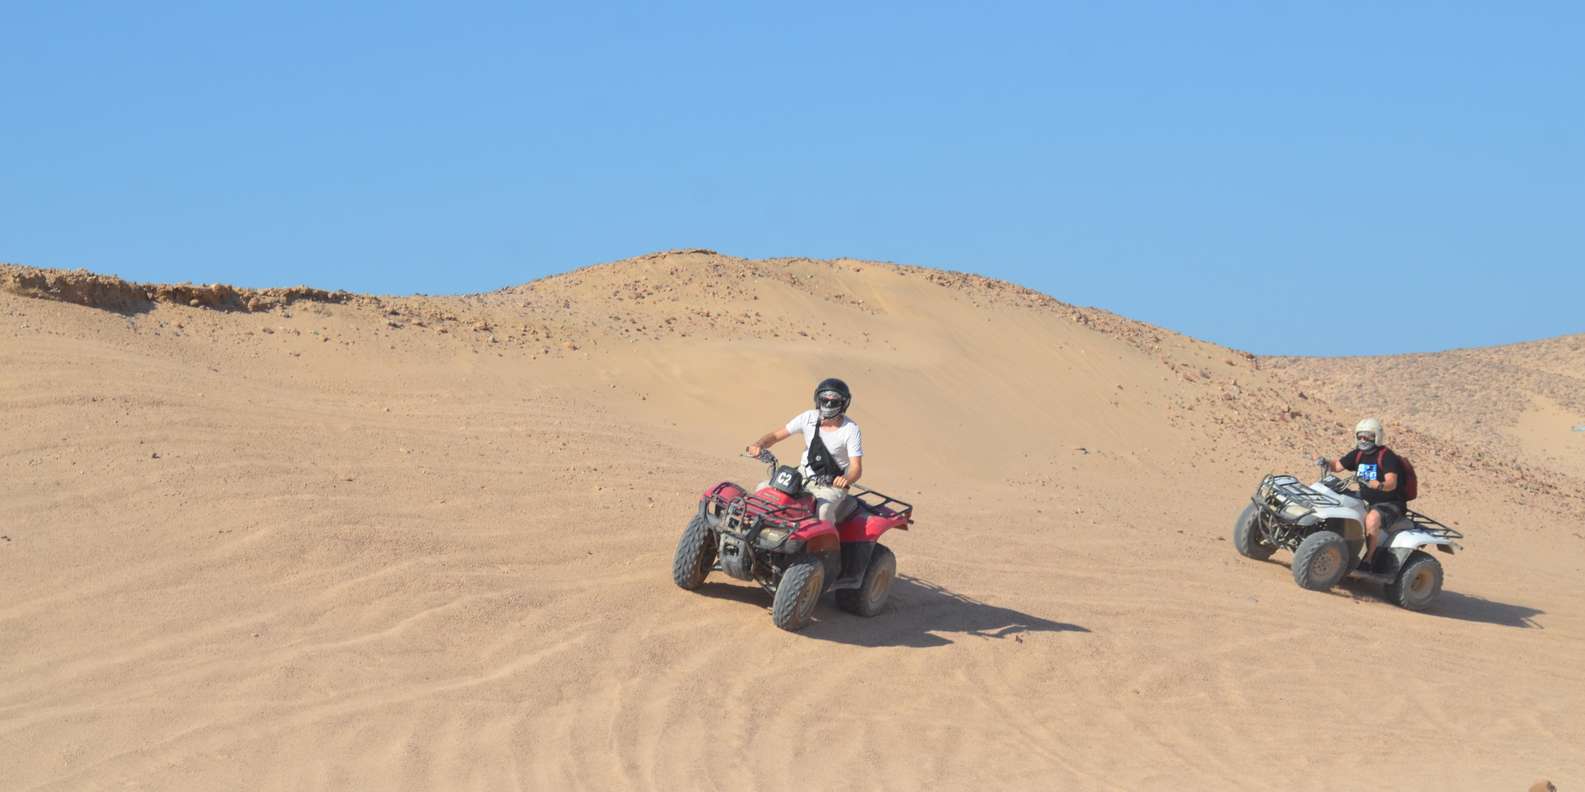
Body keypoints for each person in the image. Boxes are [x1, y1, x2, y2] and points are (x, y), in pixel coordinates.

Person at [745, 377, 864, 525]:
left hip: (829, 485)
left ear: (843, 404)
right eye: (824, 399)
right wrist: (758, 445)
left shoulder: (850, 429)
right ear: (817, 399)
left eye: (834, 401)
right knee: (763, 489)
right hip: (801, 476)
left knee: (823, 511)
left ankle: (828, 547)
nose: (828, 404)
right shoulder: (808, 417)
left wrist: (846, 479)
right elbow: (776, 435)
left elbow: (856, 467)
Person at [1317, 417, 1404, 568]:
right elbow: (1337, 466)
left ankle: (1368, 560)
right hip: (1365, 499)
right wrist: (1325, 462)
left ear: (1376, 437)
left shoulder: (1387, 456)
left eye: (1368, 436)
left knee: (1371, 520)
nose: (1363, 440)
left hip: (1388, 503)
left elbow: (1392, 483)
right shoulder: (1358, 454)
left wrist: (1380, 485)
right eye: (1360, 436)